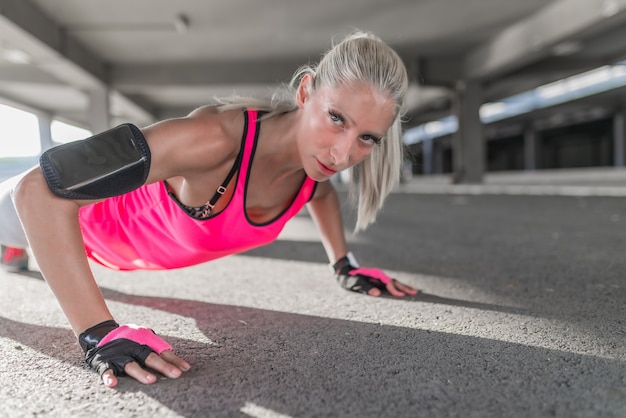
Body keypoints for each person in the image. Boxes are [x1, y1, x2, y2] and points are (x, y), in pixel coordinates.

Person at [0, 31, 417, 388]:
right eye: (336, 118)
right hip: (63, 224)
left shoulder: (313, 170)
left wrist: (343, 264)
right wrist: (98, 333)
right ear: (305, 91)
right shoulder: (214, 139)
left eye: (368, 138)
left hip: (118, 252)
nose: (343, 153)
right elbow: (38, 192)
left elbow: (318, 195)